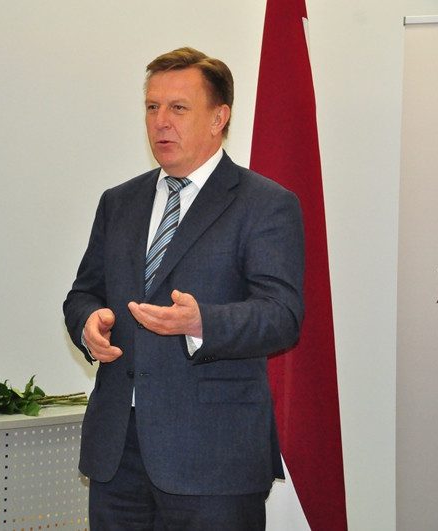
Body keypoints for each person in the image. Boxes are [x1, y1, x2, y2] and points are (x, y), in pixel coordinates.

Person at [62, 46, 305, 530]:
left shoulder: (264, 204)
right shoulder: (119, 202)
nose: (160, 122)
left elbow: (282, 315)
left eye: (178, 108)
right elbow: (83, 294)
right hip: (118, 451)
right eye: (152, 107)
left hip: (213, 455)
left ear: (219, 118)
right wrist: (88, 323)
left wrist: (202, 323)